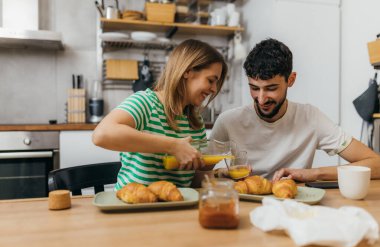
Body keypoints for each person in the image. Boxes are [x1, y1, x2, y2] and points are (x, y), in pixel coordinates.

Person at [210, 38, 380, 182]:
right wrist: (221, 173)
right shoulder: (228, 121)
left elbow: (376, 164)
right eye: (254, 88)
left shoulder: (311, 118)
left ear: (290, 80)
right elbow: (200, 176)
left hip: (294, 209)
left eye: (271, 88)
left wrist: (314, 173)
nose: (261, 99)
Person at [92, 39, 227, 189]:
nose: (214, 89)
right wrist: (172, 146)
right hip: (132, 207)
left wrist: (218, 175)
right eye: (211, 80)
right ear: (187, 71)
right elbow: (101, 135)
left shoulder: (195, 122)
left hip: (174, 208)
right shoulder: (145, 103)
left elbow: (192, 182)